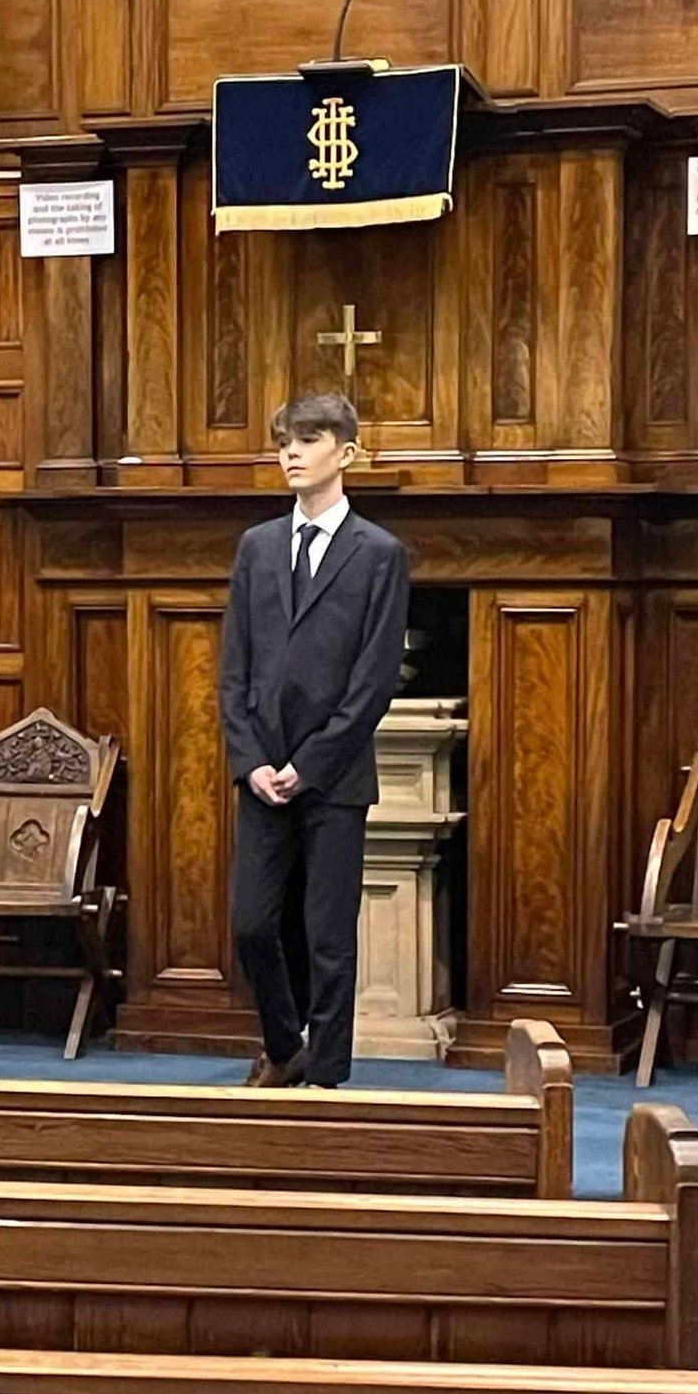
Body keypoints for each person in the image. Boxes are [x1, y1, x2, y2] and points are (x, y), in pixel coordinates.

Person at [219, 391, 410, 1089]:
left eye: (307, 440)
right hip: (262, 774)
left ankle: (326, 1078)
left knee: (329, 938)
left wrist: (309, 763)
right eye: (283, 443)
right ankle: (286, 1046)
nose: (291, 454)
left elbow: (374, 681)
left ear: (346, 453)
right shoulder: (258, 546)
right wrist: (252, 762)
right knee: (252, 925)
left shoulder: (380, 554)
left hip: (334, 777)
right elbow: (234, 668)